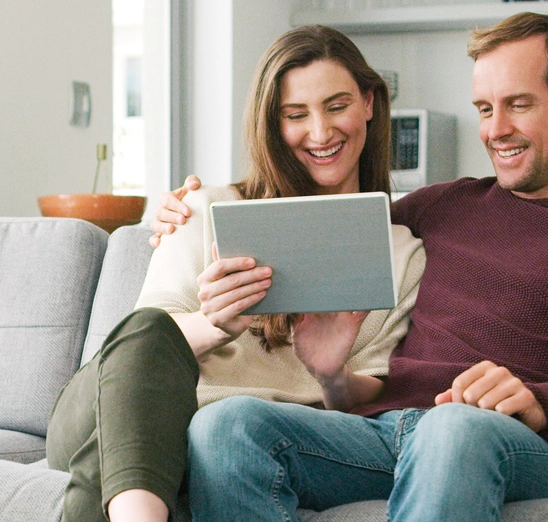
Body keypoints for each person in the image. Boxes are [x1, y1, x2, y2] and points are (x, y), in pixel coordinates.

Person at [151, 12, 548, 521]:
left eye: (519, 104)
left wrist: (539, 401)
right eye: (485, 109)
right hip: (384, 433)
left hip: (510, 442)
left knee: (453, 428)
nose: (495, 129)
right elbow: (313, 220)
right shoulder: (443, 206)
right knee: (227, 426)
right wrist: (192, 208)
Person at [44, 25, 427, 522]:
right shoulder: (204, 210)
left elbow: (374, 407)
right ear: (272, 123)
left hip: (236, 442)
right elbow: (138, 352)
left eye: (336, 106)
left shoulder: (402, 252)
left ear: (369, 103)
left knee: (136, 457)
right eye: (295, 115)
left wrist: (331, 373)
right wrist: (213, 324)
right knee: (149, 340)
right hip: (129, 413)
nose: (320, 131)